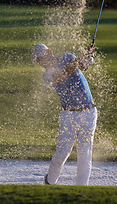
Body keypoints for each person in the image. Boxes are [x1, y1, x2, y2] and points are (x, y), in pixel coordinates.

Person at [32, 43, 97, 186]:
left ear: (50, 52)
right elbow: (63, 74)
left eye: (42, 57)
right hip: (69, 115)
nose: (41, 62)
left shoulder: (68, 57)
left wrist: (88, 57)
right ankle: (50, 182)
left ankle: (81, 189)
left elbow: (81, 66)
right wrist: (82, 57)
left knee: (84, 154)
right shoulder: (47, 75)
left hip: (89, 112)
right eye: (38, 60)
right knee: (61, 153)